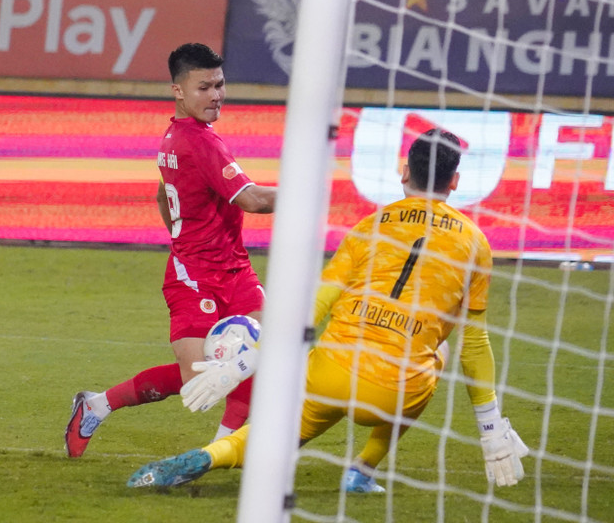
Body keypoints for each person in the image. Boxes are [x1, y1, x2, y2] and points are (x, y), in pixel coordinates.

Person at [128, 129, 530, 492]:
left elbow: (313, 306)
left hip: (331, 369)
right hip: (393, 390)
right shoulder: (475, 244)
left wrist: (247, 360)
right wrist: (490, 428)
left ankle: (211, 455)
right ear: (455, 181)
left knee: (273, 436)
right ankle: (363, 470)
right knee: (438, 351)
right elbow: (475, 345)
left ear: (404, 173)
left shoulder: (369, 227)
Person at [64, 43, 277, 458]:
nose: (215, 95)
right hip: (194, 277)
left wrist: (184, 235)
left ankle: (216, 454)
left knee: (256, 360)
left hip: (236, 272)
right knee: (200, 378)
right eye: (204, 87)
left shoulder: (174, 136)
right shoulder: (200, 142)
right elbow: (252, 200)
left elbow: (163, 195)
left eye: (219, 85)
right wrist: (308, 193)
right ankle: (97, 405)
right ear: (178, 90)